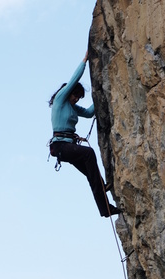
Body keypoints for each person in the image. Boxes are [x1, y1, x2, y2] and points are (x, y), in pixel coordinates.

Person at [49, 51, 120, 217]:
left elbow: (89, 113)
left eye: (79, 98)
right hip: (60, 146)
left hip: (68, 145)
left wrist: (101, 94)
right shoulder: (61, 99)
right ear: (70, 92)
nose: (76, 100)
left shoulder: (72, 108)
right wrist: (84, 60)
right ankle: (103, 190)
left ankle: (106, 209)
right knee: (89, 154)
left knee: (90, 173)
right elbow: (74, 79)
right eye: (76, 96)